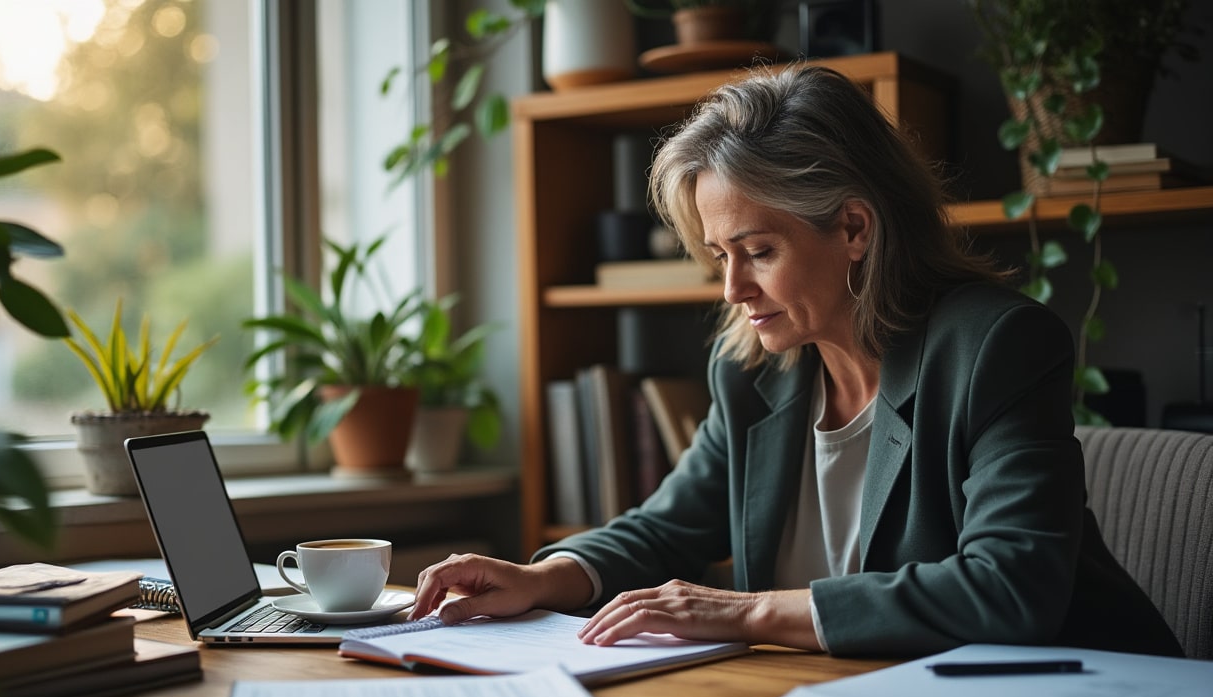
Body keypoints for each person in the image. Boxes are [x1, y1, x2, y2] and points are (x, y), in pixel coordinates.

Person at [409, 65, 1183, 658]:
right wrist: (545, 578)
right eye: (719, 255)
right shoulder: (754, 370)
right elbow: (666, 527)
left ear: (853, 228)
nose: (732, 288)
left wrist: (749, 612)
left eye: (758, 252)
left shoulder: (994, 348)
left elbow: (1011, 589)